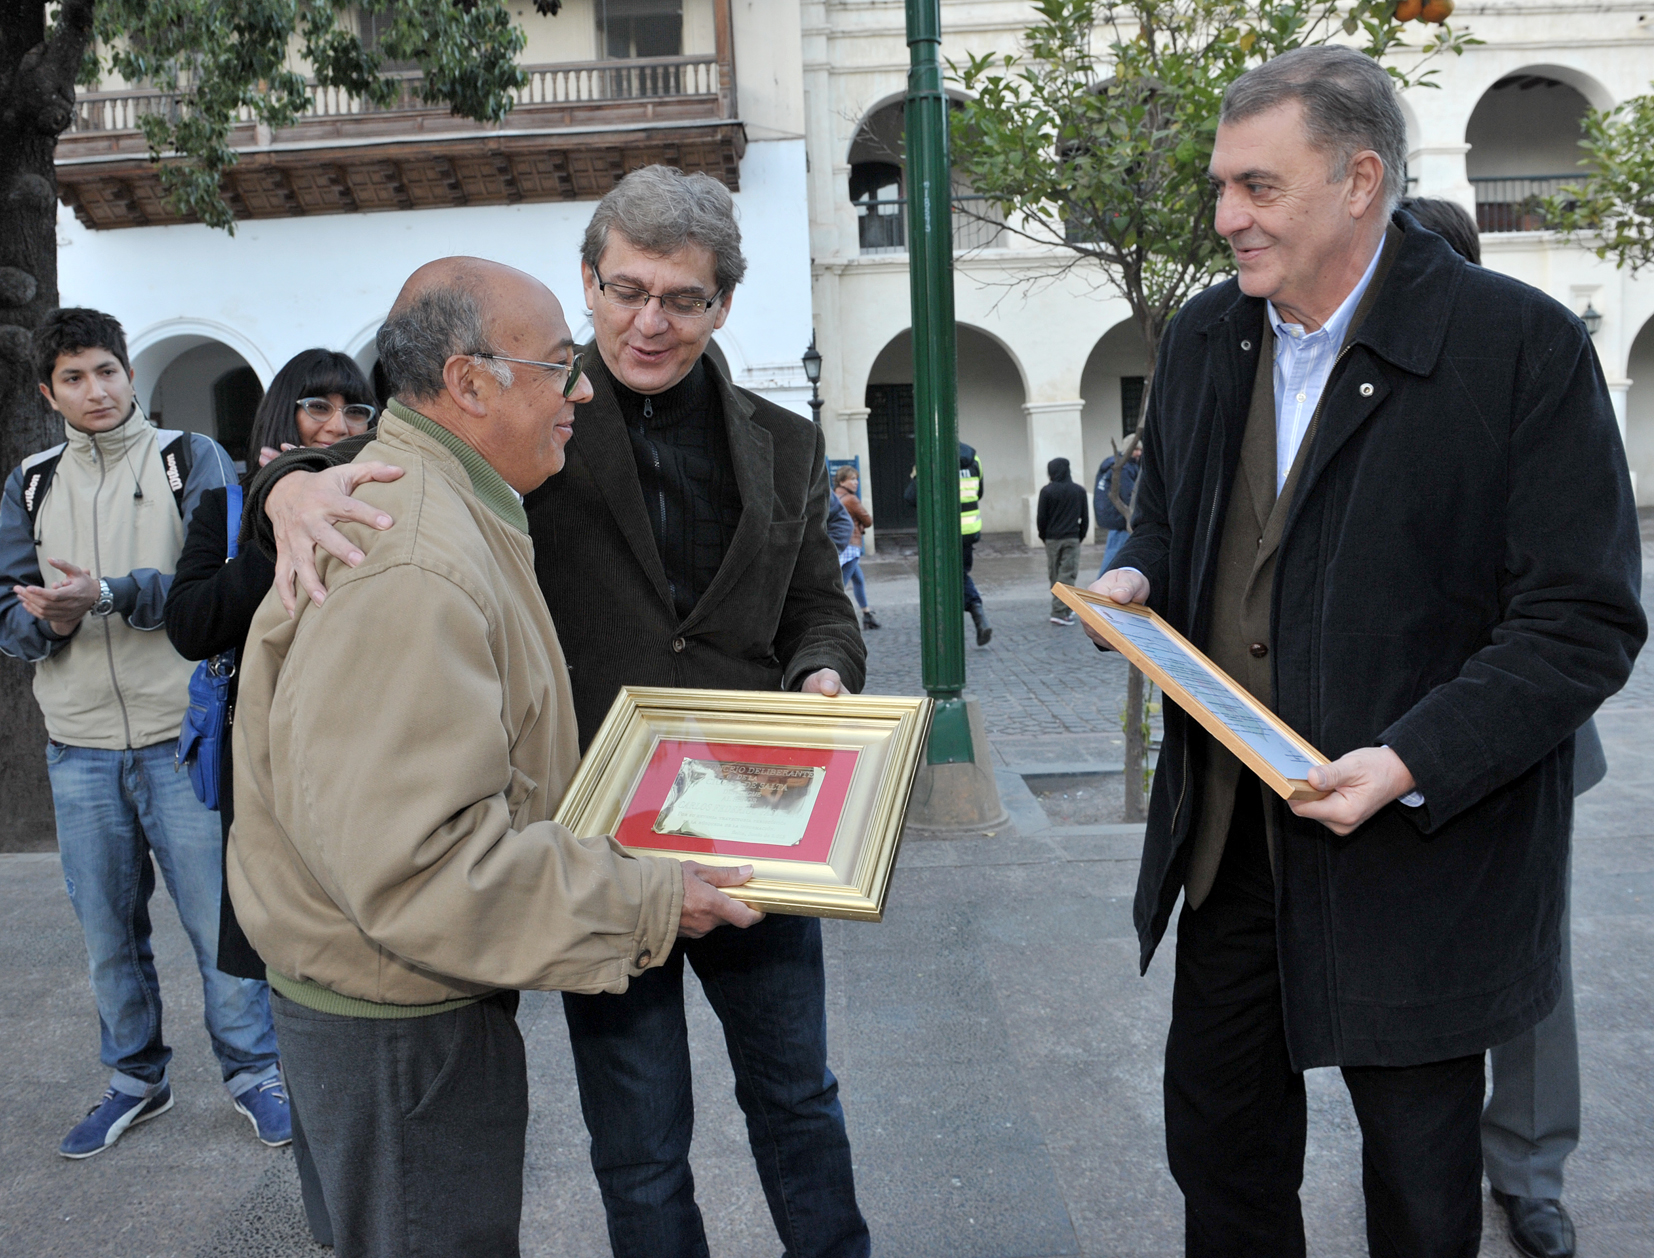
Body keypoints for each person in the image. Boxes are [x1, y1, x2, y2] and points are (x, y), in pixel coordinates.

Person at [246, 167, 871, 1258]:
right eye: (626, 290)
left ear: (722, 301)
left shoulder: (782, 439)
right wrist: (284, 487)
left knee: (799, 1099)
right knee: (638, 1137)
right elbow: (391, 453)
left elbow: (819, 599)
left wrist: (822, 669)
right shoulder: (530, 407)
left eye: (681, 297)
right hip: (589, 830)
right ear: (588, 282)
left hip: (752, 818)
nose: (648, 320)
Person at [1086, 46, 1644, 1256]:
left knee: (1419, 1187)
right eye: (1221, 187)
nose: (1225, 217)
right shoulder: (1200, 340)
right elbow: (1178, 515)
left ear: (1358, 180)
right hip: (1229, 841)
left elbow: (1581, 621)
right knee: (1219, 1160)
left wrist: (1409, 758)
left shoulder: (1521, 350)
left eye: (1256, 188)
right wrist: (1140, 568)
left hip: (1423, 860)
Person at [0, 308, 288, 1158]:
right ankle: (135, 1079)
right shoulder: (29, 481)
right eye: (75, 378)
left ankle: (253, 1072)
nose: (96, 391)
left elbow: (214, 582)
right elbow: (9, 613)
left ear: (129, 373)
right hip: (78, 745)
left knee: (216, 923)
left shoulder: (186, 459)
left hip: (180, 738)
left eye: (107, 372)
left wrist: (114, 593)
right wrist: (48, 624)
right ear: (48, 392)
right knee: (107, 935)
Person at [162, 347, 377, 1245]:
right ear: (277, 417)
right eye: (314, 410)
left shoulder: (388, 500)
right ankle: (330, 1187)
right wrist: (275, 520)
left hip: (363, 764)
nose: (334, 427)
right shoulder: (227, 506)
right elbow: (190, 624)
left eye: (354, 411)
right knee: (287, 967)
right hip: (268, 770)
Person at [905, 440, 992, 644]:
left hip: (944, 531)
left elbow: (910, 496)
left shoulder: (931, 459)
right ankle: (975, 615)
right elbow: (979, 492)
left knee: (948, 577)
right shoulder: (974, 458)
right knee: (960, 572)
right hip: (969, 528)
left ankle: (974, 613)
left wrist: (916, 475)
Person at [1036, 456, 1088, 625]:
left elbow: (1041, 518)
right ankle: (1061, 611)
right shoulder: (1079, 491)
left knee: (1055, 574)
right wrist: (1080, 536)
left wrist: (1044, 536)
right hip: (1072, 538)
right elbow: (1085, 518)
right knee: (1067, 575)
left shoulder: (1047, 491)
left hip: (1052, 539)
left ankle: (1062, 610)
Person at [834, 464, 877, 629]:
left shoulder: (833, 496)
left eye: (856, 479)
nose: (856, 482)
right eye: (852, 479)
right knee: (840, 585)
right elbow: (867, 520)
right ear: (842, 481)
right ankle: (834, 619)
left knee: (858, 579)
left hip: (840, 544)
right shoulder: (851, 499)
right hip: (851, 546)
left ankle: (867, 614)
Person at [1093, 435, 1142, 576]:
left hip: (1111, 515)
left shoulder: (1113, 463)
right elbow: (1129, 495)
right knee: (1114, 557)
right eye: (1136, 449)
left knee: (1114, 553)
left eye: (1140, 449)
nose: (1139, 453)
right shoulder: (1124, 468)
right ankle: (1099, 592)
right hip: (1120, 517)